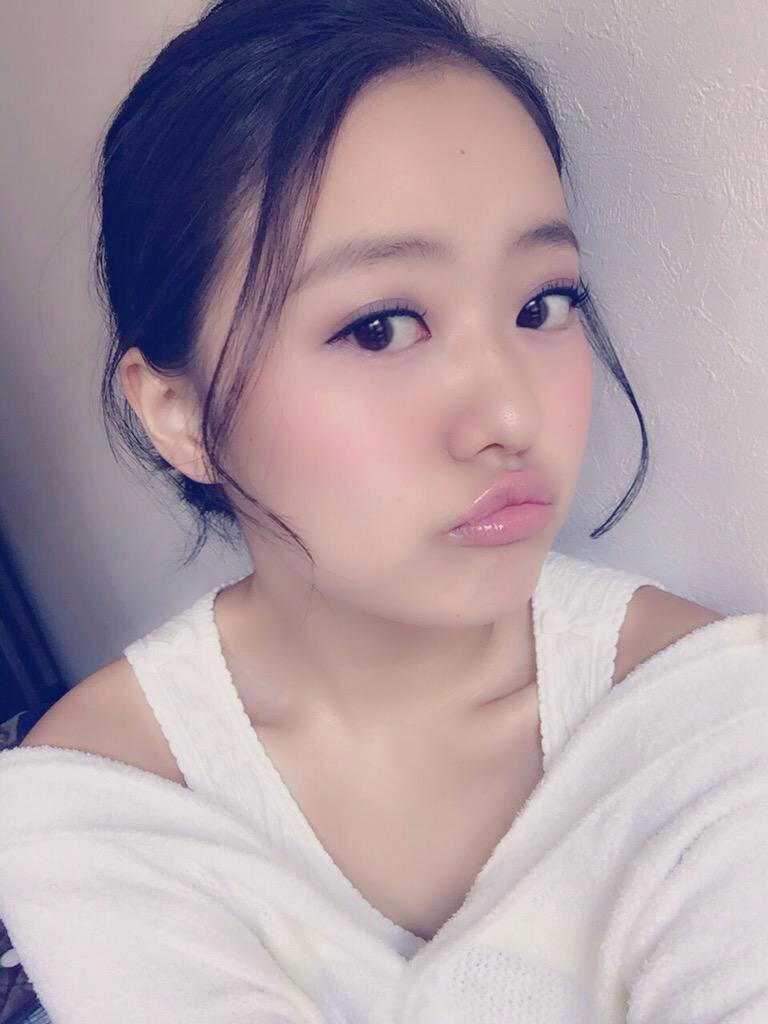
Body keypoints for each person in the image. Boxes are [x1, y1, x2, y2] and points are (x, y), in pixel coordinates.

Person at [1, 0, 766, 1021]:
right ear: (179, 414)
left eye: (542, 305)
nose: (509, 417)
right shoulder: (101, 801)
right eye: (379, 327)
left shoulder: (711, 722)